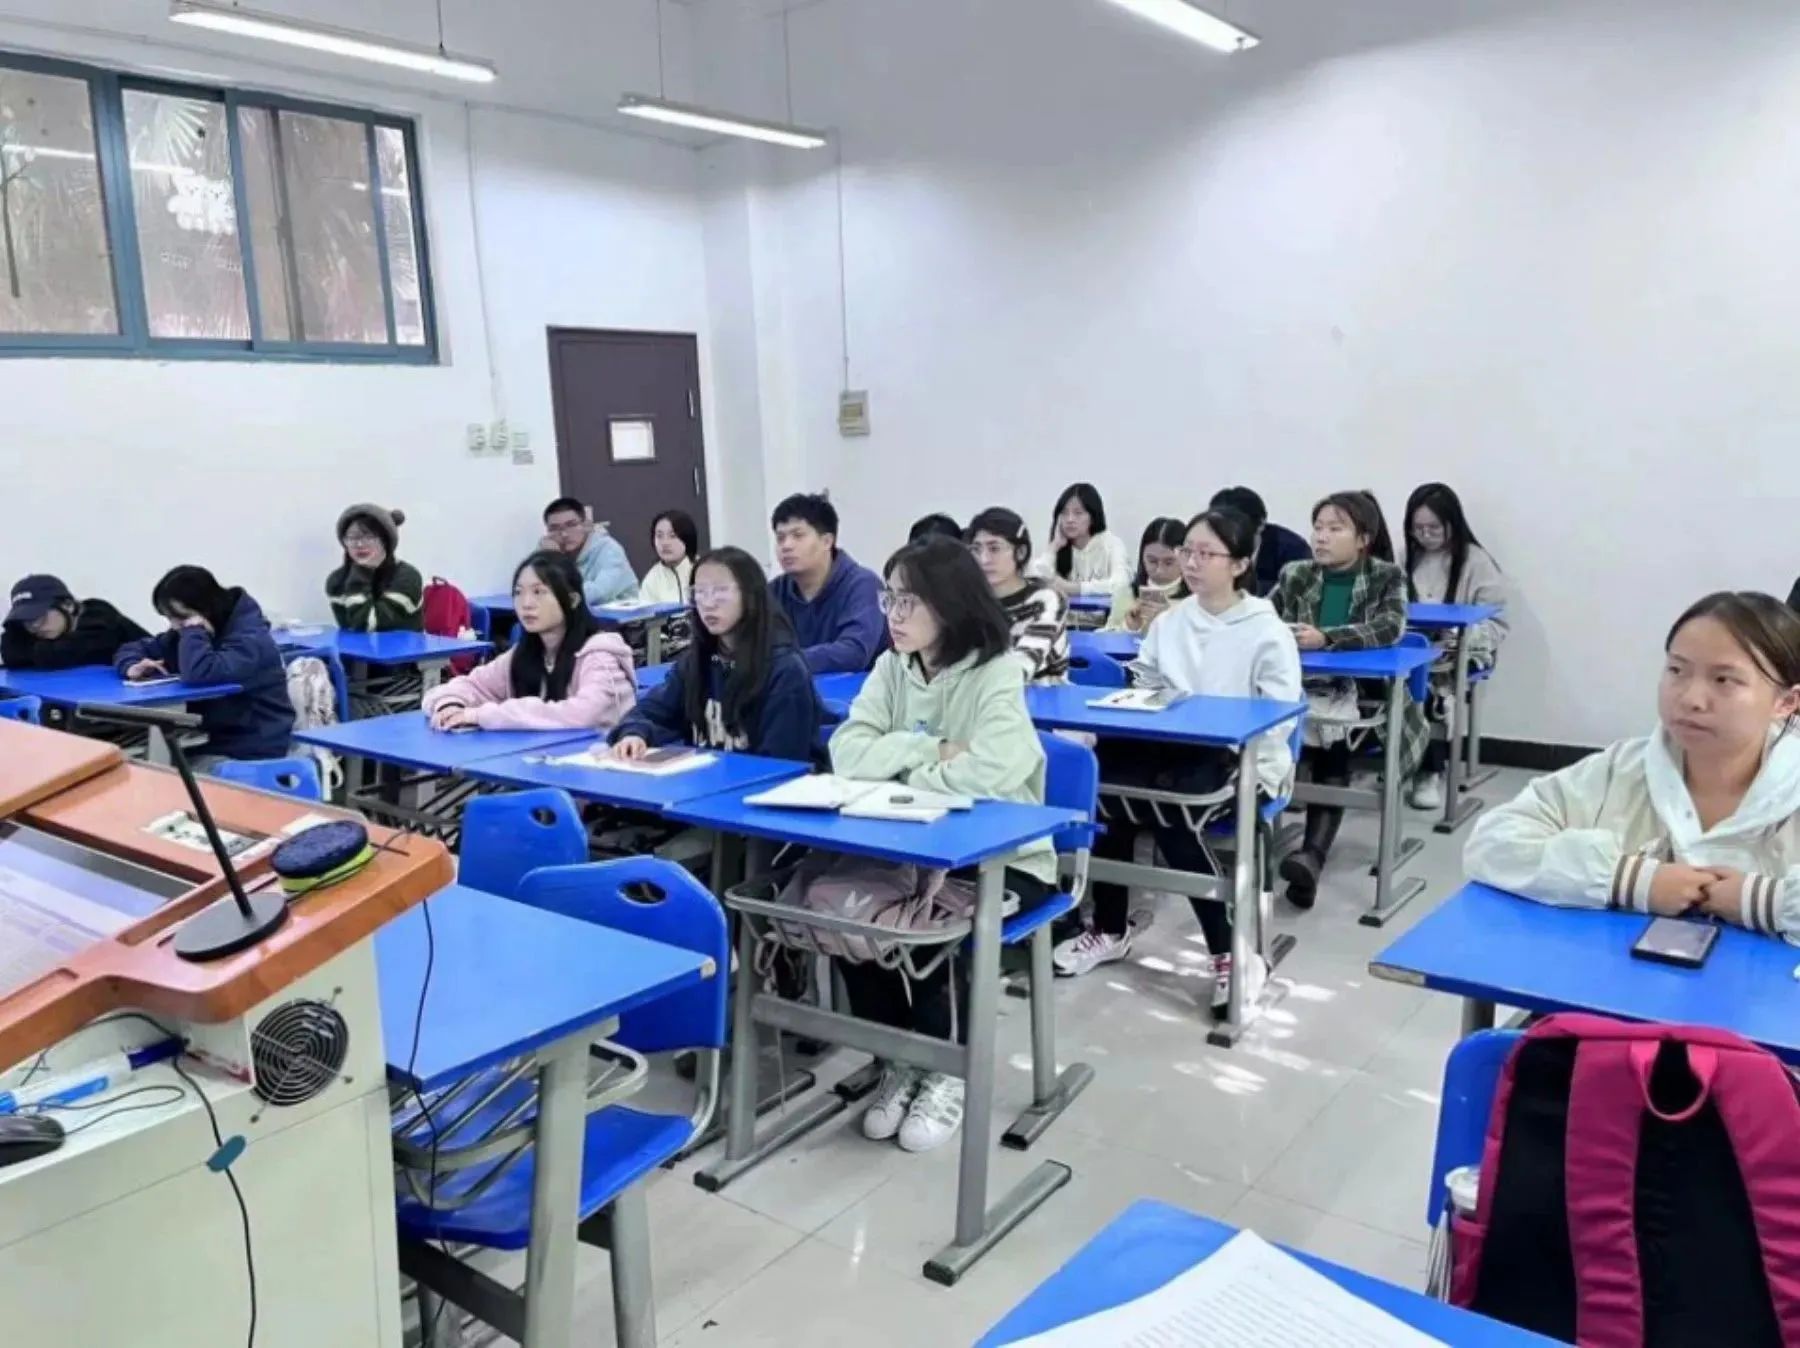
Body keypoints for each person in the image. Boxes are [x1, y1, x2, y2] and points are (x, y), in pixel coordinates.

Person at [830, 537, 1054, 1152]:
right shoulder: (891, 667)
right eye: (890, 599)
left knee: (936, 927)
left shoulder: (996, 671)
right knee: (847, 915)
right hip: (909, 850)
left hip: (1005, 859)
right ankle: (900, 1058)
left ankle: (948, 1070)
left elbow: (994, 770)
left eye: (910, 602)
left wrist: (897, 770)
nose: (893, 615)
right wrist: (929, 752)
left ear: (951, 604)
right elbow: (846, 753)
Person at [1053, 510, 1302, 1009]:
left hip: (1243, 759)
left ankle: (1231, 952)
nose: (1191, 562)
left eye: (1206, 554)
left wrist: (1207, 723)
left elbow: (1278, 717)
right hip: (1170, 750)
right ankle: (1109, 928)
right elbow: (1145, 679)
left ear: (1240, 564)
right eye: (1188, 551)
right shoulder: (1171, 621)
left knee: (1172, 813)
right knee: (1103, 787)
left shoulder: (1266, 630)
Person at [1466, 592, 1800, 941]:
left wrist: (1769, 902)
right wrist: (1627, 879)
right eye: (1677, 670)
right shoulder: (1620, 770)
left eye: (1723, 680)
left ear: (1786, 702)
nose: (1691, 699)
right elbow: (1492, 843)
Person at [1271, 492, 1425, 909]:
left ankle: (1312, 856)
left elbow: (1390, 627)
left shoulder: (1386, 577)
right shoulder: (1295, 573)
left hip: (1365, 698)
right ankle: (1295, 856)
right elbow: (1264, 619)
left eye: (1334, 529)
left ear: (1363, 539)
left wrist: (1327, 638)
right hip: (1302, 688)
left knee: (1331, 739)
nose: (1321, 537)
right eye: (1318, 527)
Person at [610, 546, 821, 762]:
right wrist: (634, 733)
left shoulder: (784, 671)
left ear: (749, 595)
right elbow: (650, 710)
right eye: (700, 592)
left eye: (720, 591)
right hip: (706, 779)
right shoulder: (696, 663)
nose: (708, 603)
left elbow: (782, 763)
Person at [422, 551, 635, 731]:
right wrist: (449, 706)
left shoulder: (600, 655)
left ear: (572, 600)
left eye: (539, 592)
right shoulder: (523, 654)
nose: (526, 603)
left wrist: (481, 715)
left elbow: (586, 715)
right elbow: (465, 686)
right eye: (518, 593)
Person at [114, 567, 293, 767]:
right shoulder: (197, 630)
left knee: (161, 775)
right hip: (211, 740)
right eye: (170, 618)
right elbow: (135, 648)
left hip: (252, 748)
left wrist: (193, 631)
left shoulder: (250, 640)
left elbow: (199, 673)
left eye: (181, 617)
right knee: (145, 767)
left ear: (206, 608)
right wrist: (131, 665)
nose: (174, 626)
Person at [1403, 483, 1510, 809]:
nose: (1425, 535)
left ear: (1453, 523)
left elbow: (1497, 623)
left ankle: (1429, 772)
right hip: (1419, 648)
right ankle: (1402, 758)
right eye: (1418, 528)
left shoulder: (1476, 562)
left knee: (1427, 688)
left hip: (1463, 650)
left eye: (1434, 528)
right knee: (1395, 681)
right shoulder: (1407, 557)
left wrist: (1458, 635)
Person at [768, 493, 888, 674]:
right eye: (780, 538)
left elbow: (854, 653)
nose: (786, 546)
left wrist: (783, 662)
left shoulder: (863, 585)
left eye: (798, 536)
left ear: (827, 541)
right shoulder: (773, 592)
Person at [965, 506, 1069, 683]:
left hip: (1041, 695)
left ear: (1020, 552)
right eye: (976, 549)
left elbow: (1021, 667)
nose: (983, 559)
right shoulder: (972, 599)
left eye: (994, 549)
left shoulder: (1046, 600)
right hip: (983, 694)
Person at [3, 574, 147, 671]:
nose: (34, 626)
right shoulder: (45, 630)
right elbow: (8, 651)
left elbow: (60, 654)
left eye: (41, 617)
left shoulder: (100, 617)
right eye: (27, 620)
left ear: (68, 606)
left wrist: (27, 650)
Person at [325, 505, 424, 632]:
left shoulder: (407, 576)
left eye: (369, 537)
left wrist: (362, 571)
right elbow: (352, 631)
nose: (359, 544)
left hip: (402, 645)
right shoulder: (337, 580)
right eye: (352, 537)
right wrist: (362, 571)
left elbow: (369, 625)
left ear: (385, 541)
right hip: (358, 646)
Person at [1029, 483, 1130, 600]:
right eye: (1064, 513)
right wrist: (1054, 546)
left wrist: (1074, 588)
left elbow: (1121, 584)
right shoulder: (1060, 547)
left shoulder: (1111, 544)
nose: (1070, 519)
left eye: (1078, 513)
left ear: (1093, 516)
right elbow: (1033, 580)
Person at [1210, 487, 1311, 598]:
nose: (1225, 539)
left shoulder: (1293, 550)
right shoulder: (1205, 548)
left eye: (1235, 530)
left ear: (1261, 525)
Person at [540, 496, 638, 605]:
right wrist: (551, 558)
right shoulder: (547, 550)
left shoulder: (609, 549)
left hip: (619, 613)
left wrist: (557, 562)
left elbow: (597, 594)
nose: (564, 534)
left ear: (585, 525)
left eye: (571, 525)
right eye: (554, 528)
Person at [1103, 517, 1188, 634]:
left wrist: (1170, 620)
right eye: (1152, 561)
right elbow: (1107, 636)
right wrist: (1128, 627)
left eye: (1169, 563)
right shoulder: (1127, 593)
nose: (1159, 570)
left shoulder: (1197, 598)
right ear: (1142, 557)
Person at [639, 509, 698, 606]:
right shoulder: (652, 579)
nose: (665, 543)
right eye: (659, 536)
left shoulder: (702, 570)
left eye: (673, 536)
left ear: (687, 538)